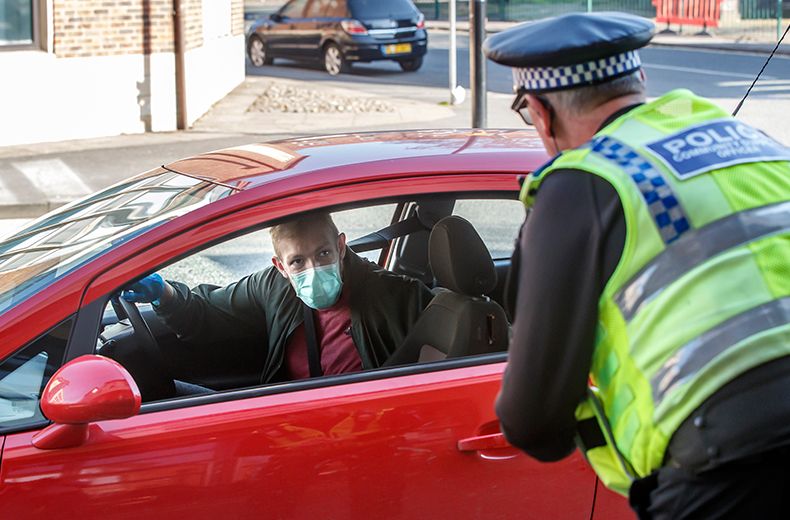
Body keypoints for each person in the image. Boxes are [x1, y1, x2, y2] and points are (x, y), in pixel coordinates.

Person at [484, 11, 790, 519]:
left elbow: (532, 419)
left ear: (539, 111)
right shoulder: (759, 147)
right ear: (639, 80)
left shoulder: (583, 184)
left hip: (732, 466)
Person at [123, 211, 434, 387]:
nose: (313, 269)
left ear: (341, 247)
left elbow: (446, 367)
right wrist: (163, 293)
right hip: (293, 421)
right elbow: (206, 315)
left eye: (323, 253)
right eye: (298, 261)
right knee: (167, 396)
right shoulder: (272, 287)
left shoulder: (399, 296)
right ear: (281, 267)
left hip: (362, 433)